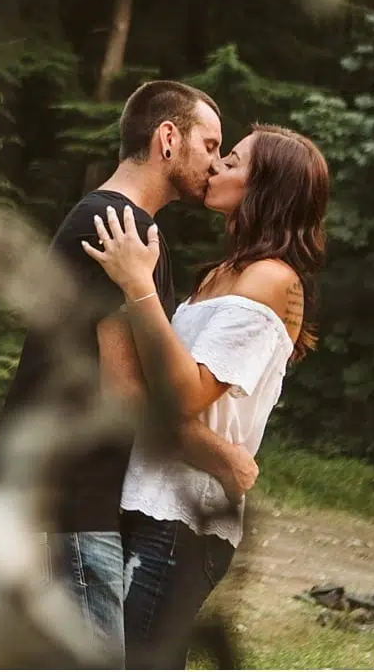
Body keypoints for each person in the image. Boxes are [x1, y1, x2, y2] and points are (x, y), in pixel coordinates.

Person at [0, 80, 259, 651]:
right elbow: (128, 393)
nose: (215, 163)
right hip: (70, 497)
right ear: (168, 138)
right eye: (210, 145)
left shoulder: (123, 226)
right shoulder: (120, 226)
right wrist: (225, 459)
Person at [82, 123, 328, 669]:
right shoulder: (220, 274)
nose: (216, 167)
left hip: (183, 516)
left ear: (267, 188)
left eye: (233, 161)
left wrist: (138, 285)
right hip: (147, 492)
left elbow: (186, 393)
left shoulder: (272, 278)